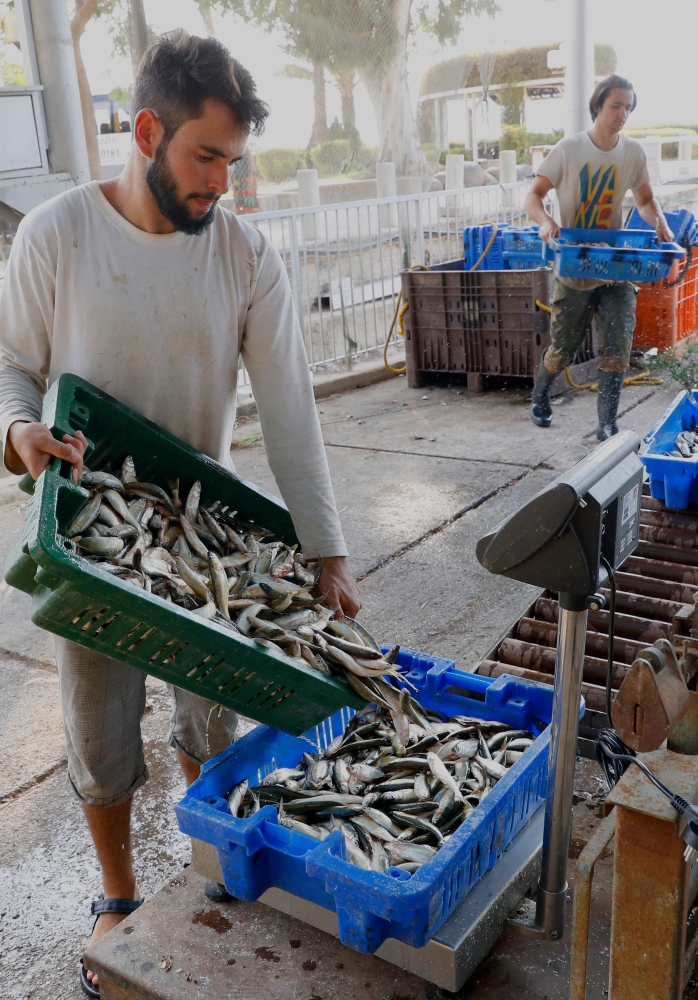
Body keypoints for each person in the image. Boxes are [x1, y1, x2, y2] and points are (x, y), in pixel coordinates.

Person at [0, 30, 361, 997]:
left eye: (233, 165)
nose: (220, 187)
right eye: (206, 159)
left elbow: (290, 406)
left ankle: (209, 867)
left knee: (215, 713)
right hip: (91, 535)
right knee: (98, 729)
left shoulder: (243, 253)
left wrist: (326, 552)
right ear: (148, 129)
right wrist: (19, 432)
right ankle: (117, 894)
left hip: (207, 538)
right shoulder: (57, 236)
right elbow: (12, 369)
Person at [525, 73, 674, 440]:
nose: (623, 113)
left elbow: (644, 199)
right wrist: (545, 221)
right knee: (562, 351)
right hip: (575, 267)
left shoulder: (633, 152)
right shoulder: (568, 149)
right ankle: (540, 394)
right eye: (616, 105)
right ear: (597, 107)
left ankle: (607, 424)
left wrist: (661, 224)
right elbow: (534, 195)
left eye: (628, 107)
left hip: (615, 265)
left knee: (618, 346)